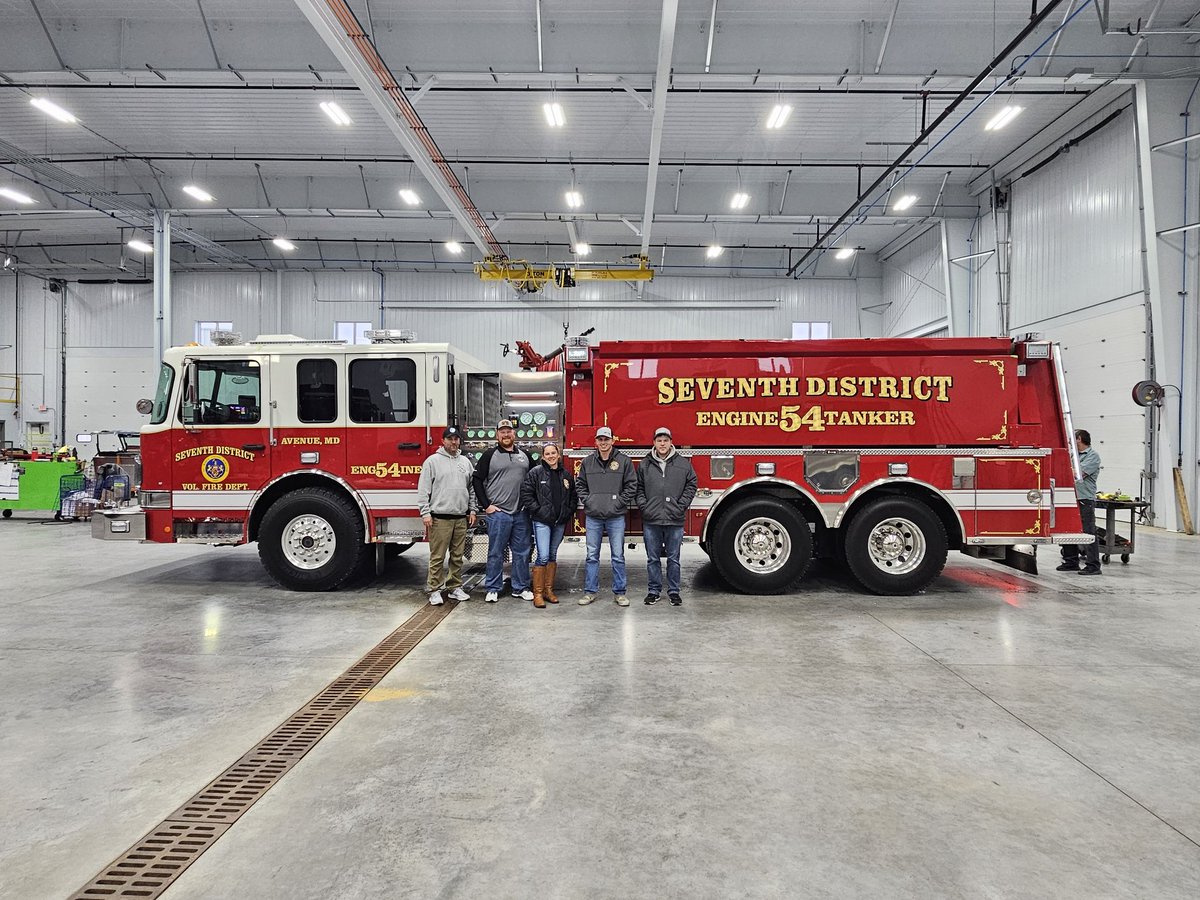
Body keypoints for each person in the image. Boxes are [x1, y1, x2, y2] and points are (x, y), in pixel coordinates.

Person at [474, 418, 534, 603]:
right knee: (495, 552)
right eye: (503, 431)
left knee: (522, 552)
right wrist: (487, 505)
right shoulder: (489, 455)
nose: (506, 434)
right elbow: (476, 480)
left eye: (509, 431)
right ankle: (493, 587)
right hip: (498, 513)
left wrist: (531, 505)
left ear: (514, 434)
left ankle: (520, 587)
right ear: (497, 435)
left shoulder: (525, 456)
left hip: (521, 513)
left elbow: (534, 479)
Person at [636, 426, 698, 606]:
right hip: (651, 519)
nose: (662, 444)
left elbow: (691, 484)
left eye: (665, 440)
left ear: (671, 442)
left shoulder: (683, 464)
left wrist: (681, 506)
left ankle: (674, 592)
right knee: (652, 559)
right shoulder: (644, 464)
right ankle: (653, 591)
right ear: (654, 443)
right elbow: (638, 488)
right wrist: (644, 506)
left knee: (674, 559)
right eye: (659, 440)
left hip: (675, 519)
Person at [416, 426, 477, 605]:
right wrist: (425, 513)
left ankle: (454, 587)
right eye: (450, 438)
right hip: (439, 518)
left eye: (456, 438)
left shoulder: (465, 462)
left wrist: (472, 510)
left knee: (457, 557)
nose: (453, 442)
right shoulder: (432, 462)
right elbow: (423, 489)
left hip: (460, 518)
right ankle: (434, 589)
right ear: (443, 441)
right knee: (437, 557)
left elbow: (471, 489)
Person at [576, 425, 637, 606]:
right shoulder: (587, 462)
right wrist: (590, 501)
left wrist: (618, 503)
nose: (603, 443)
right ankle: (590, 592)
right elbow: (580, 484)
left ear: (612, 440)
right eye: (600, 440)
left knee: (617, 555)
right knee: (591, 555)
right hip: (593, 516)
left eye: (606, 439)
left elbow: (631, 485)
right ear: (596, 442)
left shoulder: (624, 461)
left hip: (616, 516)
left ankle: (620, 593)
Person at [520, 443, 578, 609]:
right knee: (543, 556)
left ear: (559, 455)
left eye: (554, 453)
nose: (551, 456)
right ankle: (537, 594)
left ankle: (548, 591)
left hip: (559, 522)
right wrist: (539, 511)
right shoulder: (535, 473)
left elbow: (573, 496)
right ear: (543, 456)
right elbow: (526, 494)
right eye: (548, 453)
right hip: (542, 522)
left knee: (552, 555)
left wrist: (567, 512)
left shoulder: (566, 475)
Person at [1058, 428, 1102, 576]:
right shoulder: (1073, 456)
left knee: (1089, 532)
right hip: (1069, 498)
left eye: (1072, 439)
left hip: (1084, 499)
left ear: (1079, 439)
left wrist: (1064, 470)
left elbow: (1077, 474)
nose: (1070, 442)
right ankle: (1070, 561)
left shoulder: (1092, 456)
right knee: (1067, 531)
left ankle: (1093, 565)